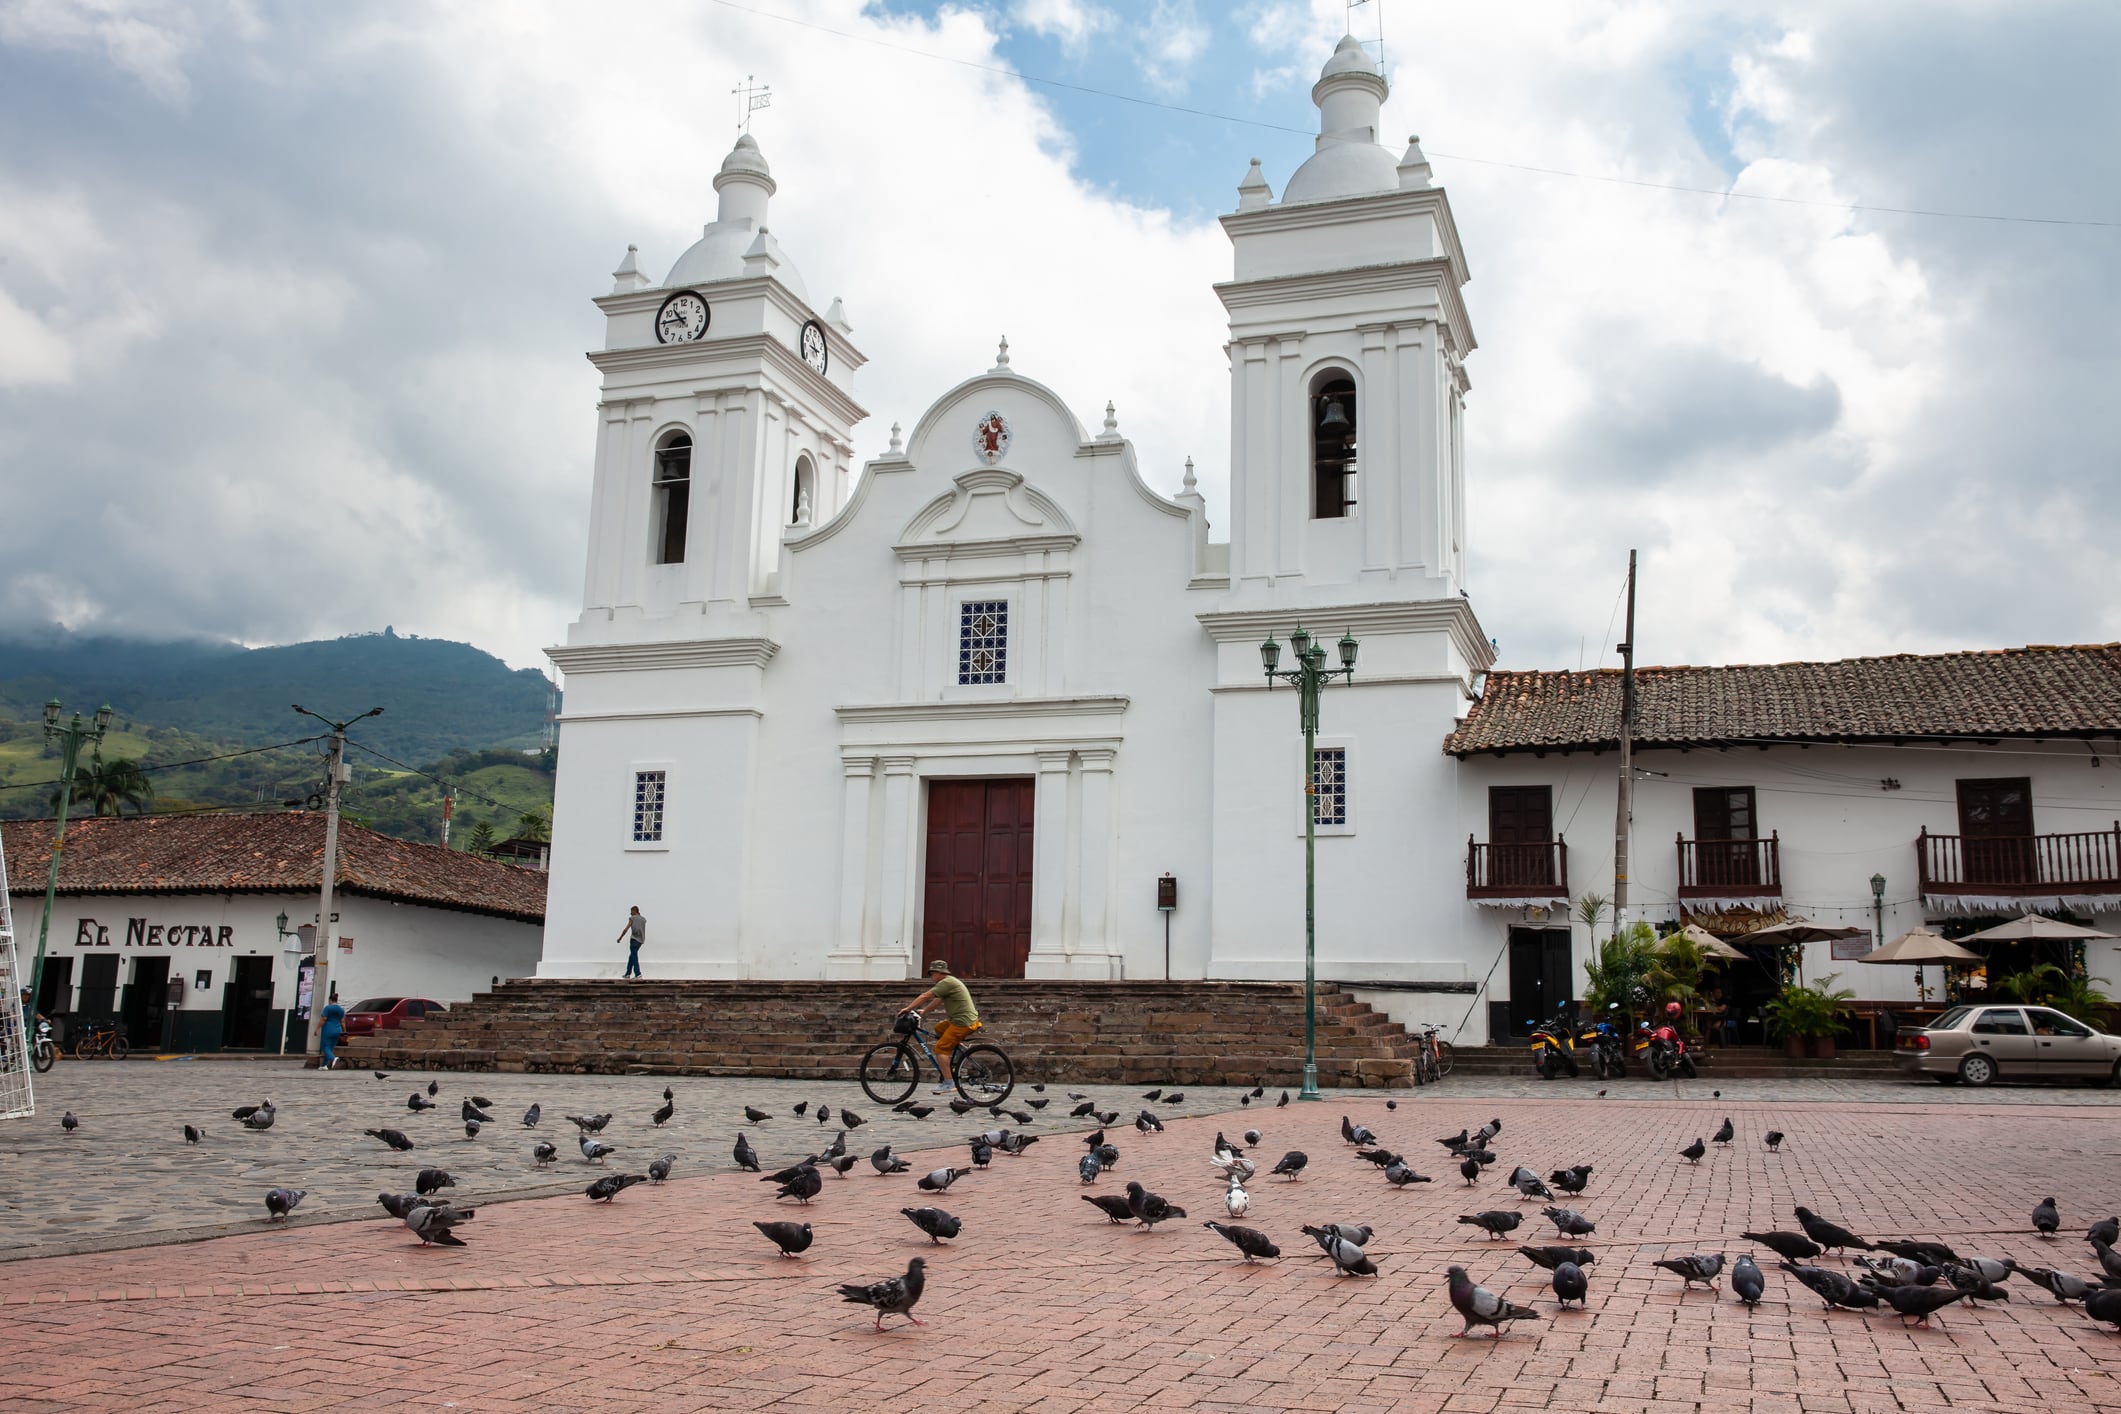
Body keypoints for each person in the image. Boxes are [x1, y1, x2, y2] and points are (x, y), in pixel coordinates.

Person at [900, 959, 979, 1094]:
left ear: (938, 973)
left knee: (940, 1049)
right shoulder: (948, 983)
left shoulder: (947, 982)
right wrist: (925, 1011)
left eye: (932, 974)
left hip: (962, 1022)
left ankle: (949, 1083)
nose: (931, 977)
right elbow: (938, 999)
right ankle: (958, 1050)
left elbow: (925, 996)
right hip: (962, 1020)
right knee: (939, 1028)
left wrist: (908, 1008)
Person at [319, 989, 346, 1070]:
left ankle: (333, 1058)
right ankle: (324, 1065)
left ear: (330, 1000)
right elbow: (343, 1021)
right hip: (338, 1030)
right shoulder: (341, 1009)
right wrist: (344, 1030)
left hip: (328, 1029)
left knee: (325, 1047)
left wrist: (317, 1028)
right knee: (330, 1047)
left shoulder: (327, 1008)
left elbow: (323, 1019)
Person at [617, 906, 646, 978]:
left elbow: (626, 929)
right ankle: (628, 973)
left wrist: (620, 938)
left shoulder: (632, 918)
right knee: (632, 956)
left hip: (634, 940)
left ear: (634, 911)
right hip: (641, 941)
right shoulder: (643, 919)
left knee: (634, 956)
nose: (630, 913)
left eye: (631, 911)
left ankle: (638, 974)